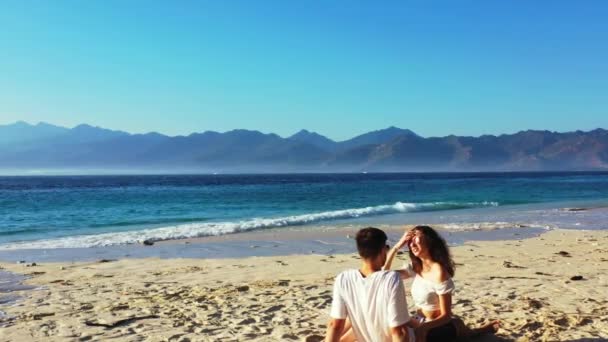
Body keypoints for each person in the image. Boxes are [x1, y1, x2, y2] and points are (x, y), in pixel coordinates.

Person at [384, 225, 500, 342]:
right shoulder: (416, 267)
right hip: (417, 321)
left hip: (435, 326)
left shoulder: (438, 271)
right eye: (409, 241)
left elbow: (446, 316)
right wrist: (397, 246)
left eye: (415, 240)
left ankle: (478, 331)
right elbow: (384, 275)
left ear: (429, 242)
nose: (412, 244)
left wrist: (423, 328)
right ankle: (475, 330)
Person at [325, 227, 418, 342]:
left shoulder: (343, 279)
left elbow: (335, 325)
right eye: (386, 247)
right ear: (382, 250)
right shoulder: (391, 279)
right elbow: (399, 331)